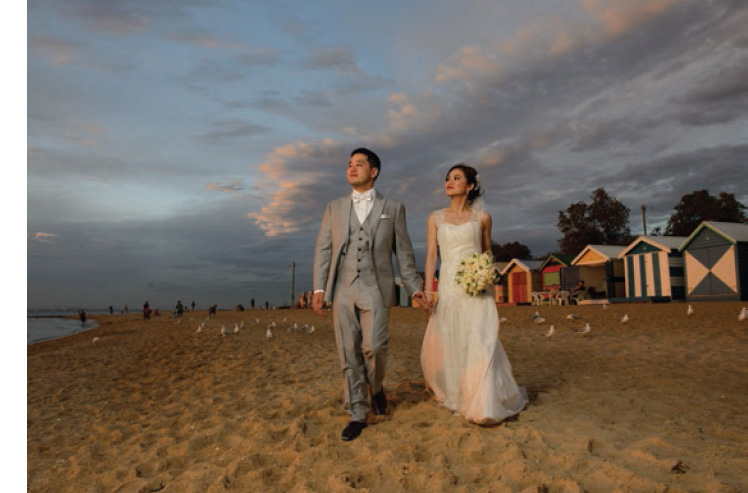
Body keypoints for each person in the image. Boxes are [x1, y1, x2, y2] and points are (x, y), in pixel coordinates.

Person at [313, 147, 429, 442]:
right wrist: (319, 288)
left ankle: (375, 387)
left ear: (373, 171)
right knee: (348, 353)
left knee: (374, 347)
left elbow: (403, 254)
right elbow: (324, 249)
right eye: (349, 165)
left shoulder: (393, 208)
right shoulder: (333, 208)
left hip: (376, 287)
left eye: (359, 164)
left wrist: (415, 289)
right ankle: (357, 413)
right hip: (341, 288)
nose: (352, 169)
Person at [420, 164, 527, 425]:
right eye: (447, 178)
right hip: (448, 286)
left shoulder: (483, 218)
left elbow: (486, 252)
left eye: (456, 178)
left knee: (481, 338)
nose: (449, 182)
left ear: (469, 186)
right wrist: (427, 289)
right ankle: (459, 393)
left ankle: (484, 401)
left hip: (476, 287)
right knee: (453, 338)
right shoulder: (435, 218)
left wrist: (485, 273)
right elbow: (432, 255)